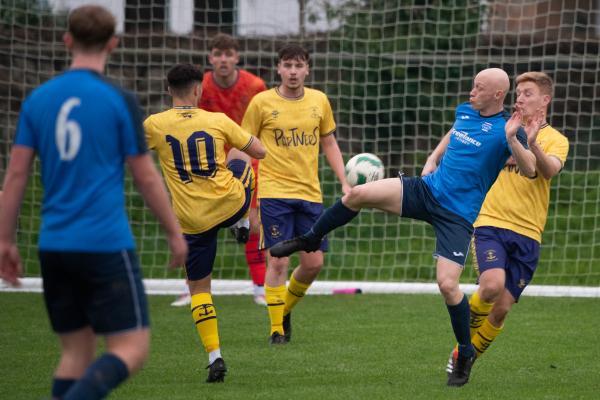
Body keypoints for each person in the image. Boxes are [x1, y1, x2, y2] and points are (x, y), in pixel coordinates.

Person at [270, 68, 540, 386]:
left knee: (448, 286)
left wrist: (512, 138)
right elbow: (455, 131)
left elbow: (532, 169)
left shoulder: (508, 129)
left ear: (497, 95)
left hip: (456, 216)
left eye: (478, 88)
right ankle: (310, 238)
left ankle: (465, 353)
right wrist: (433, 157)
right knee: (357, 194)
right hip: (426, 191)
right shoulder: (466, 110)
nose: (471, 92)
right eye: (472, 85)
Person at [0, 6, 187, 400]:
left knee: (75, 354)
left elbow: (16, 175)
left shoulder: (38, 100)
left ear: (67, 40)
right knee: (131, 349)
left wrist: (5, 241)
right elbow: (146, 175)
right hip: (104, 243)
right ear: (113, 44)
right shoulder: (119, 100)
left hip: (53, 244)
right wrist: (174, 232)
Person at [143, 63, 266, 382]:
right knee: (242, 161)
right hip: (229, 202)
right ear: (199, 90)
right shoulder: (217, 120)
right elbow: (260, 151)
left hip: (191, 219)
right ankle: (241, 222)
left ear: (168, 90)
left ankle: (215, 356)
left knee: (199, 290)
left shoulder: (154, 125)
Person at [445, 72, 569, 373]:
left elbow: (549, 170)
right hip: (491, 222)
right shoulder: (501, 129)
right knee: (491, 285)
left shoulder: (557, 140)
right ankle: (462, 346)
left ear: (545, 100)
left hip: (529, 233)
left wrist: (533, 143)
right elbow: (461, 135)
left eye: (527, 93)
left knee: (500, 310)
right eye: (518, 93)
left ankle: (466, 359)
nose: (520, 98)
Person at [241, 43, 350, 345]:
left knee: (314, 264)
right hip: (274, 192)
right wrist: (238, 180)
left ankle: (284, 309)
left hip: (310, 193)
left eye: (298, 65)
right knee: (277, 261)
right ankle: (276, 330)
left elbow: (328, 142)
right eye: (287, 65)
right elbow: (243, 142)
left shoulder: (319, 101)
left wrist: (344, 181)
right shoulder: (261, 103)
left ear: (307, 69)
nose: (292, 71)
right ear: (278, 69)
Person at [171, 33, 268, 307]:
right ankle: (191, 287)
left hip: (247, 157)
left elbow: (261, 123)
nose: (223, 59)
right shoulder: (200, 86)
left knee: (254, 222)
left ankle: (260, 286)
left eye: (229, 54)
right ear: (211, 57)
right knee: (195, 222)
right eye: (218, 54)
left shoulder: (255, 85)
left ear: (236, 58)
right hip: (207, 162)